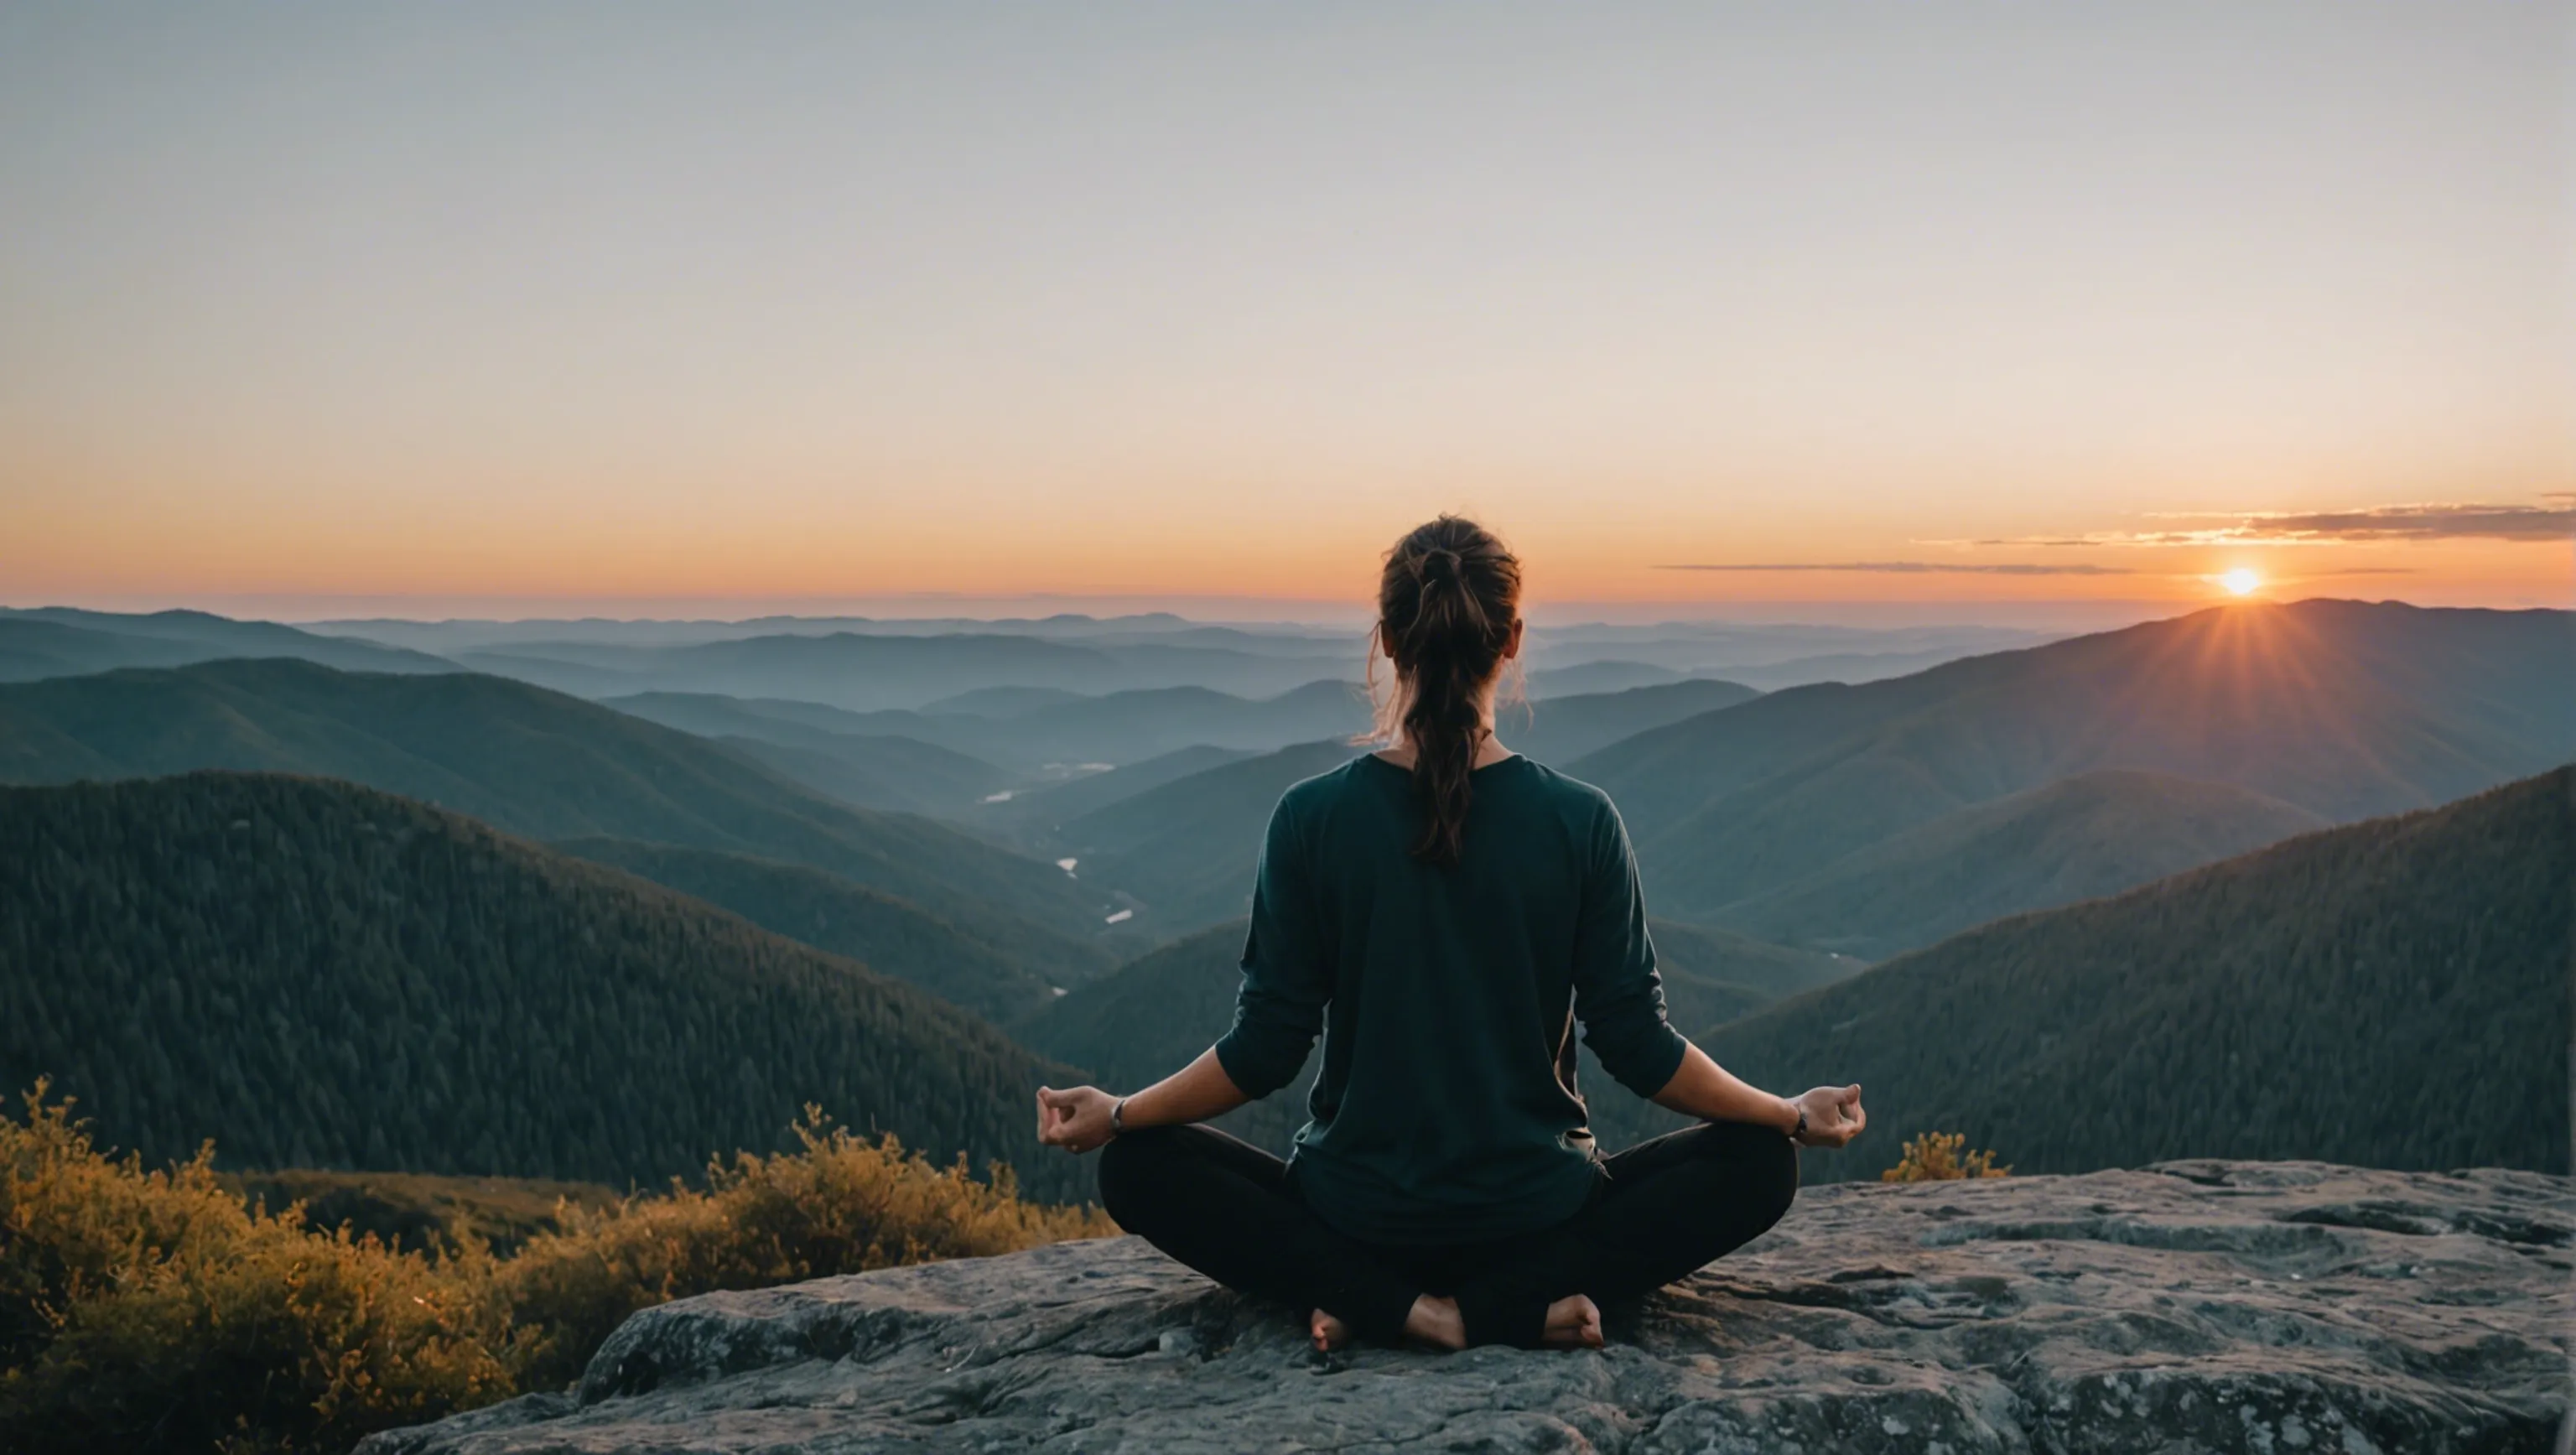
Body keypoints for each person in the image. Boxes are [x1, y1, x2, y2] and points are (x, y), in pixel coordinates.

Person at [1035, 515, 1867, 1353]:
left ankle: (1395, 1307)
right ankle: (1506, 1308)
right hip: (1538, 1221)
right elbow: (1640, 1048)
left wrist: (1121, 1114)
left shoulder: (1311, 818)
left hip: (1355, 1221)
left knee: (1137, 1164)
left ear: (1390, 641)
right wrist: (1788, 1115)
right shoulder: (1580, 821)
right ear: (1512, 640)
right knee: (1761, 1164)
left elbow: (1264, 1051)